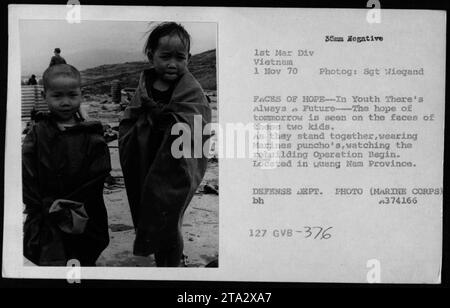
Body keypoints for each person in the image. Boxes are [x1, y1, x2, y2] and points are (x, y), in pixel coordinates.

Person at [119, 22, 211, 267]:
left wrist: (169, 120)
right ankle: (161, 259)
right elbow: (130, 121)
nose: (173, 63)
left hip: (177, 167)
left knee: (170, 219)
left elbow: (199, 123)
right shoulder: (144, 87)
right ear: (151, 56)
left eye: (180, 57)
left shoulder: (191, 90)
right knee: (150, 211)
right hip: (148, 161)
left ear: (188, 58)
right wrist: (145, 124)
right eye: (165, 56)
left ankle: (170, 264)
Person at [22, 64, 111, 266]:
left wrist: (71, 204)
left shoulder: (91, 134)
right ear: (45, 95)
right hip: (47, 214)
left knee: (82, 260)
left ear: (81, 93)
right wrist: (41, 205)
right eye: (57, 96)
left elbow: (98, 175)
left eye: (72, 95)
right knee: (53, 262)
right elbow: (27, 174)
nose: (65, 102)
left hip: (84, 213)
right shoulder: (37, 134)